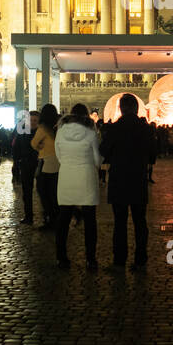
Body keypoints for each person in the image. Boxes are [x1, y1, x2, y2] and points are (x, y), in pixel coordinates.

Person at [101, 93, 155, 271]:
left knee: (120, 223)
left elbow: (104, 151)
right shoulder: (145, 129)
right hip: (138, 180)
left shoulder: (114, 128)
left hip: (119, 181)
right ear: (136, 108)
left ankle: (119, 261)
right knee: (140, 222)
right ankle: (141, 260)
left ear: (121, 109)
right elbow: (154, 154)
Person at [54, 103, 101, 270]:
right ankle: (90, 259)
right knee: (90, 221)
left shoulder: (60, 131)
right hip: (86, 177)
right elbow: (96, 159)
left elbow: (58, 155)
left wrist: (68, 163)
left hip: (66, 177)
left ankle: (61, 257)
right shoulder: (91, 131)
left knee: (63, 219)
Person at [31, 104, 61, 228]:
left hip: (46, 162)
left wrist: (40, 148)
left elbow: (33, 143)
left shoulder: (42, 128)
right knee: (54, 192)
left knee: (43, 191)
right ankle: (56, 217)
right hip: (58, 161)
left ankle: (50, 219)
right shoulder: (58, 127)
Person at [12, 111, 40, 224]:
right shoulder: (22, 132)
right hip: (26, 164)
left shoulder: (41, 132)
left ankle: (47, 216)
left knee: (43, 190)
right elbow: (16, 148)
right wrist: (16, 162)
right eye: (31, 120)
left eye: (35, 120)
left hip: (39, 163)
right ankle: (28, 216)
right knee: (26, 192)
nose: (32, 123)